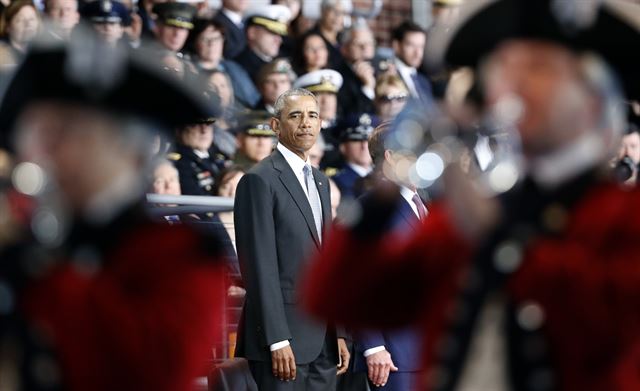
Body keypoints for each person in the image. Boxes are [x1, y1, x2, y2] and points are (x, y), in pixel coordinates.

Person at [303, 1, 640, 391]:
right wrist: (383, 192)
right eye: (507, 69)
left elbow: (602, 321)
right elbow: (335, 298)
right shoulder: (467, 215)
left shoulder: (624, 216)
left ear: (593, 100)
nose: (515, 86)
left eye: (541, 70)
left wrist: (494, 235)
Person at [0, 32, 226, 390]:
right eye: (38, 134)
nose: (43, 152)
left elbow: (155, 369)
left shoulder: (184, 255)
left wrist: (37, 271)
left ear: (131, 152)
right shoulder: (29, 236)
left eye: (69, 132)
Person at [234, 88, 350, 390]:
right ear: (275, 126)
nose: (305, 123)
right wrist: (276, 339)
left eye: (312, 115)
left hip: (323, 340)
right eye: (295, 116)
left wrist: (339, 331)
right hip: (282, 343)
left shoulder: (322, 181)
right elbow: (258, 265)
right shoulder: (258, 180)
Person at [351, 121, 425, 390]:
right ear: (391, 156)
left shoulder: (424, 204)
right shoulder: (370, 208)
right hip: (394, 355)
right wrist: (374, 346)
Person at [187, 17, 260, 109]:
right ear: (195, 43)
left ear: (223, 41)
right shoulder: (189, 71)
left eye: (216, 38)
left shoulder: (233, 67)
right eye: (205, 39)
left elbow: (254, 99)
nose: (212, 44)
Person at [293, 68, 343, 169]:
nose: (326, 101)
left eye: (330, 94)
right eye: (318, 94)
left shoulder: (343, 128)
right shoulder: (297, 131)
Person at [233, 4, 291, 85]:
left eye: (280, 34)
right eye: (272, 32)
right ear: (252, 33)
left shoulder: (281, 62)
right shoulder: (237, 68)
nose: (279, 39)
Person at [169, 117, 227, 196]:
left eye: (208, 124)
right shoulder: (176, 163)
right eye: (196, 124)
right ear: (180, 130)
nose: (204, 130)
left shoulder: (219, 157)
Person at [336, 22, 376, 118]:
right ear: (344, 49)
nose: (364, 47)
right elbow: (354, 117)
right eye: (358, 43)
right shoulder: (338, 77)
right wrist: (368, 87)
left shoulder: (382, 71)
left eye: (369, 43)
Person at [332, 114, 374, 200]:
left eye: (369, 140)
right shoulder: (336, 182)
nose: (365, 146)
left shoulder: (383, 177)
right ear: (343, 147)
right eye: (357, 140)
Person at [391, 20, 433, 106]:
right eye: (411, 45)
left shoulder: (423, 81)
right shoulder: (386, 76)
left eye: (421, 46)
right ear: (396, 46)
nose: (418, 53)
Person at [308, 0, 349, 70]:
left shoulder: (344, 39)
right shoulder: (310, 38)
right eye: (334, 11)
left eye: (342, 13)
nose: (338, 17)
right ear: (322, 11)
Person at [0, 0, 40, 71]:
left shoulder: (44, 55)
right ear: (8, 26)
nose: (28, 24)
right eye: (20, 20)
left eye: (32, 19)